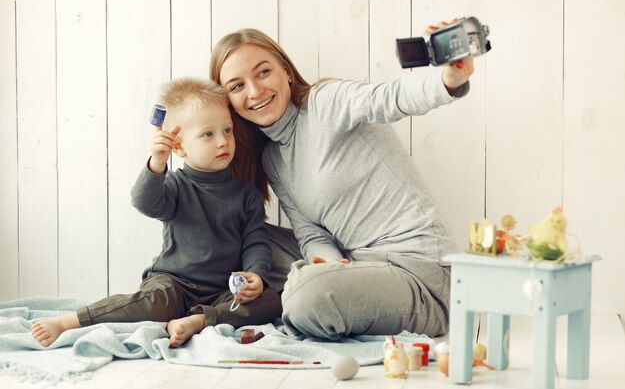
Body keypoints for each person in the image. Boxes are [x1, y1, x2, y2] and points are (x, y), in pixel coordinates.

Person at [209, 28, 474, 341]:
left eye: (263, 72)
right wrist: (328, 263)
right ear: (228, 101)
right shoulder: (272, 158)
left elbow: (390, 98)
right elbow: (310, 232)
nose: (254, 91)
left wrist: (448, 81)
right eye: (237, 86)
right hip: (356, 265)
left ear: (286, 72)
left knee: (305, 299)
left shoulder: (325, 102)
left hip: (420, 277)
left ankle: (301, 296)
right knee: (237, 233)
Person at [31, 77, 282, 348]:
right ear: (179, 146)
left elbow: (255, 242)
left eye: (227, 130)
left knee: (270, 301)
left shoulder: (246, 195)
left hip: (222, 290)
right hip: (173, 283)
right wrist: (157, 163)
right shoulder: (174, 185)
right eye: (208, 134)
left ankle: (196, 321)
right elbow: (144, 202)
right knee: (153, 303)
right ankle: (70, 321)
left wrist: (255, 275)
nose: (223, 141)